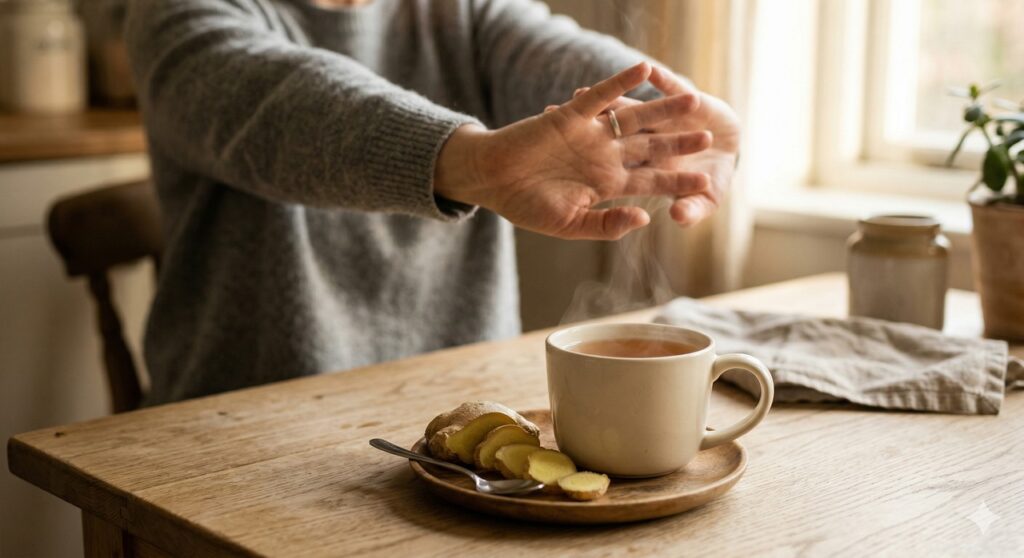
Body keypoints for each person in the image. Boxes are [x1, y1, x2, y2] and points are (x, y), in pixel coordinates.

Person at [125, 0, 740, 404]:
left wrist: (669, 111)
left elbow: (552, 53)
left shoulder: (462, 9)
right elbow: (287, 107)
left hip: (459, 416)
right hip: (237, 430)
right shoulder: (177, 14)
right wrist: (475, 161)